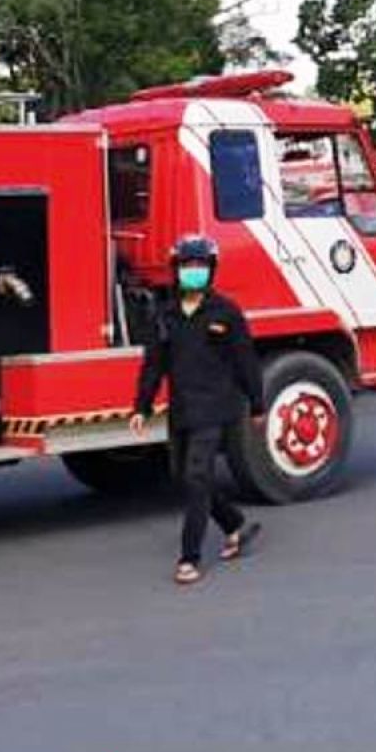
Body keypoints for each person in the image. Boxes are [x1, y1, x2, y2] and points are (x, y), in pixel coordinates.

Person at [130, 235, 264, 585]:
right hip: (182, 410)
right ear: (176, 270)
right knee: (185, 478)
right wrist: (141, 407)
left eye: (200, 266)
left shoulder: (226, 312)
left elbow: (246, 360)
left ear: (211, 270)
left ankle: (189, 557)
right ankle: (234, 523)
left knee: (197, 476)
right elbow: (153, 365)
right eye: (188, 266)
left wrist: (258, 404)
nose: (194, 272)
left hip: (216, 408)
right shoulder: (166, 315)